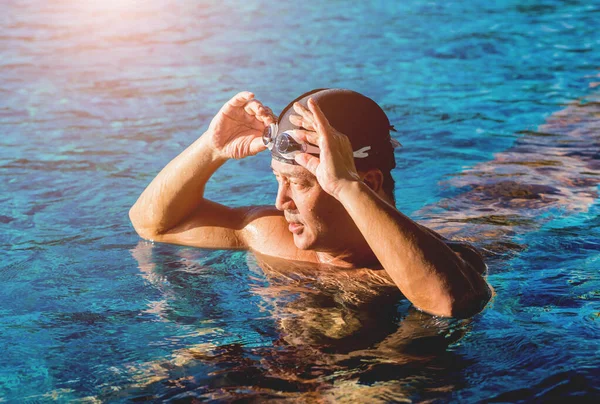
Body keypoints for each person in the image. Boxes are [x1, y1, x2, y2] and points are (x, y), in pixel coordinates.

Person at [129, 88, 492, 318]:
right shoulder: (269, 236)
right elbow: (154, 224)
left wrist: (347, 187)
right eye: (278, 180)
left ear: (368, 182)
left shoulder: (444, 263)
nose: (281, 200)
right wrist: (210, 149)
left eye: (300, 184)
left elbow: (447, 303)